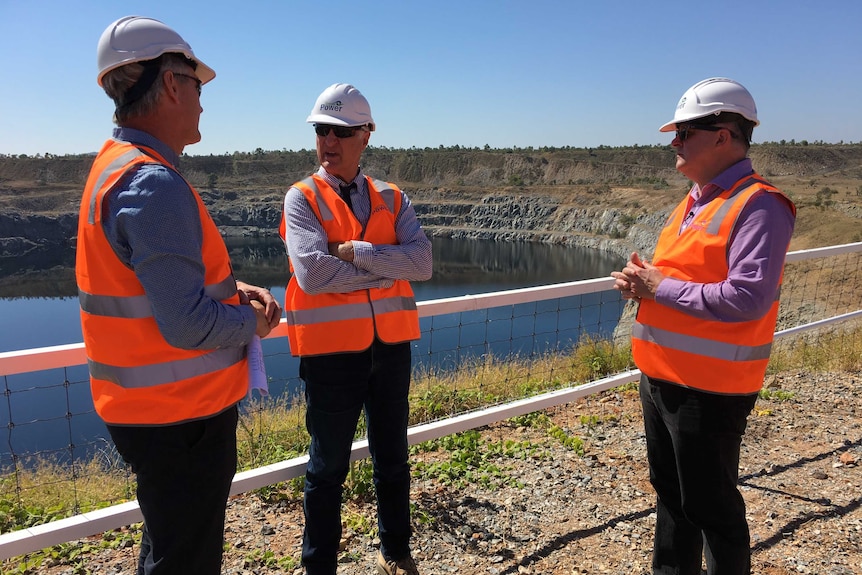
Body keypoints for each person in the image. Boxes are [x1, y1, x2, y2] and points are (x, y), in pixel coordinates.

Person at [76, 16, 281, 574]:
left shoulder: (113, 168)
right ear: (170, 83)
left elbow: (150, 282)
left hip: (150, 415)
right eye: (197, 85)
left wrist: (230, 289)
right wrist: (254, 324)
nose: (201, 102)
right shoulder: (153, 182)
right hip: (181, 420)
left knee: (169, 545)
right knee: (186, 557)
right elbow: (188, 324)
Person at [611, 77, 796, 574]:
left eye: (686, 131)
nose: (675, 141)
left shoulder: (759, 205)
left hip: (709, 388)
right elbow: (684, 277)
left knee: (712, 509)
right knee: (673, 499)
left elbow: (746, 298)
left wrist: (657, 288)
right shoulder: (696, 200)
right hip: (663, 378)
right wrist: (643, 283)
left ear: (724, 135)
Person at [280, 83, 432, 575]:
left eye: (342, 131)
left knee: (394, 459)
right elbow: (314, 274)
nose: (329, 141)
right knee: (327, 470)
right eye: (322, 130)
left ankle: (397, 554)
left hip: (389, 350)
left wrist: (361, 253)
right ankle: (319, 566)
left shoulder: (392, 196)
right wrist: (392, 267)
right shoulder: (301, 198)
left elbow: (424, 263)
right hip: (331, 355)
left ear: (366, 135)